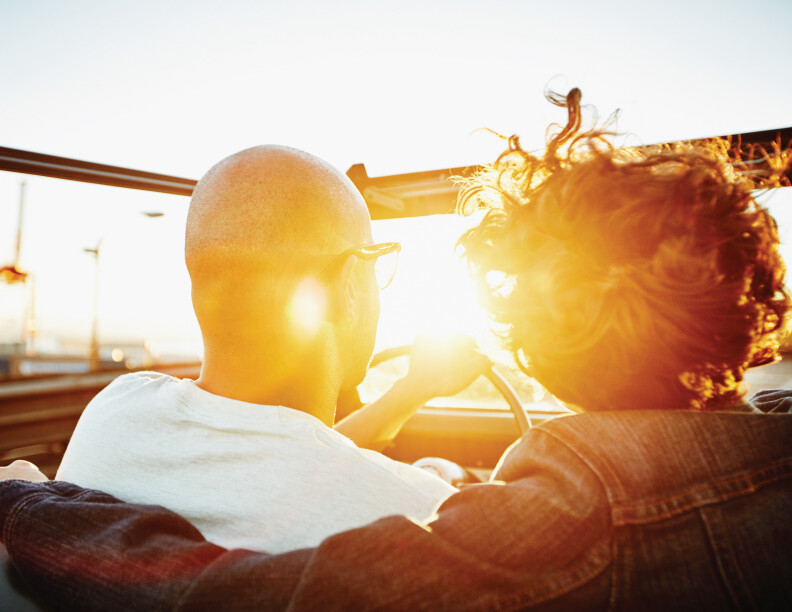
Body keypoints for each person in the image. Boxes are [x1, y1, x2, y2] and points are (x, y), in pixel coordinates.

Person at [2, 89, 791, 610]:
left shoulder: (114, 414)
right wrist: (411, 413)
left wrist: (23, 500)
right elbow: (301, 470)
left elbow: (220, 585)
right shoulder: (416, 510)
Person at [43, 145, 489, 554]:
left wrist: (411, 390)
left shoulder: (114, 413)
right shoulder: (421, 517)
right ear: (349, 285)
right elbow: (292, 464)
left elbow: (270, 462)